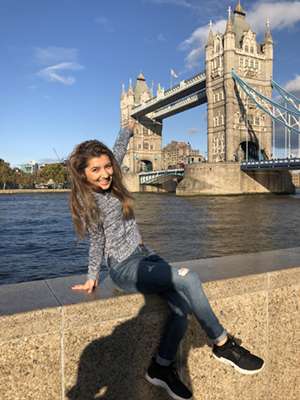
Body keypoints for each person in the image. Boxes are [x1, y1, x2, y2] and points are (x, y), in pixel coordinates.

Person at [68, 122, 264, 400]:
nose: (105, 174)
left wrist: (128, 129)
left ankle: (161, 367)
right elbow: (98, 241)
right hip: (125, 268)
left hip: (144, 255)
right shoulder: (91, 202)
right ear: (83, 174)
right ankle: (222, 343)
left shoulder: (115, 180)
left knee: (180, 310)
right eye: (95, 170)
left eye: (106, 167)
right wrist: (92, 276)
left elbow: (119, 152)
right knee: (188, 277)